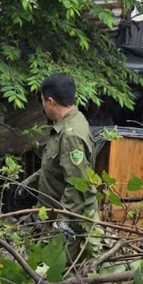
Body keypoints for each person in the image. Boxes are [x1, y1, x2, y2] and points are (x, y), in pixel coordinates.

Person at [27, 72, 98, 224]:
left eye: (42, 101)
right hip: (54, 215)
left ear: (50, 102)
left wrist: (62, 222)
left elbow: (76, 185)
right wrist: (30, 182)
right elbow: (57, 166)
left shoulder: (70, 135)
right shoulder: (71, 121)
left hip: (70, 222)